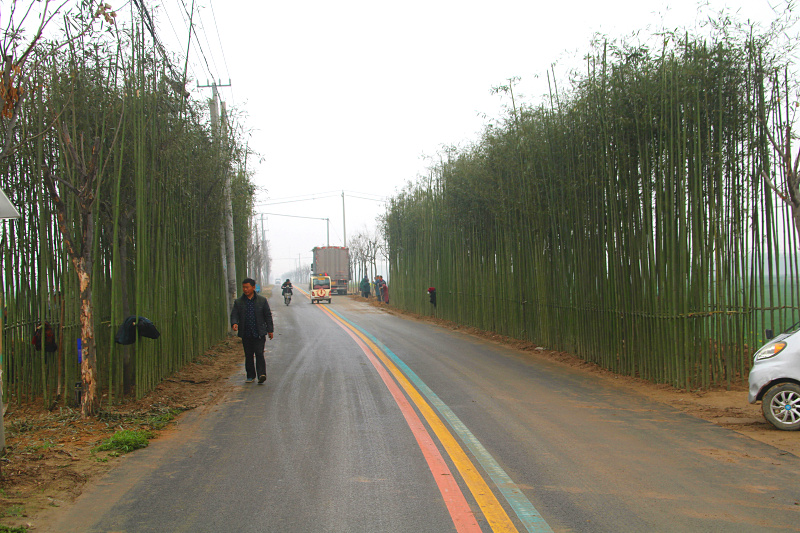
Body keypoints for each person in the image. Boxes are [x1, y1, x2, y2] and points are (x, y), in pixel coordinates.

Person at [230, 278, 274, 384]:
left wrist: (270, 330)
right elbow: (234, 314)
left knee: (259, 353)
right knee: (248, 355)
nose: (245, 290)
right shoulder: (239, 302)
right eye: (244, 287)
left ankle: (261, 375)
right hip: (246, 333)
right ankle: (250, 375)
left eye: (247, 287)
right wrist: (234, 323)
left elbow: (267, 315)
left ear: (253, 287)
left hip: (258, 332)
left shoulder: (262, 301)